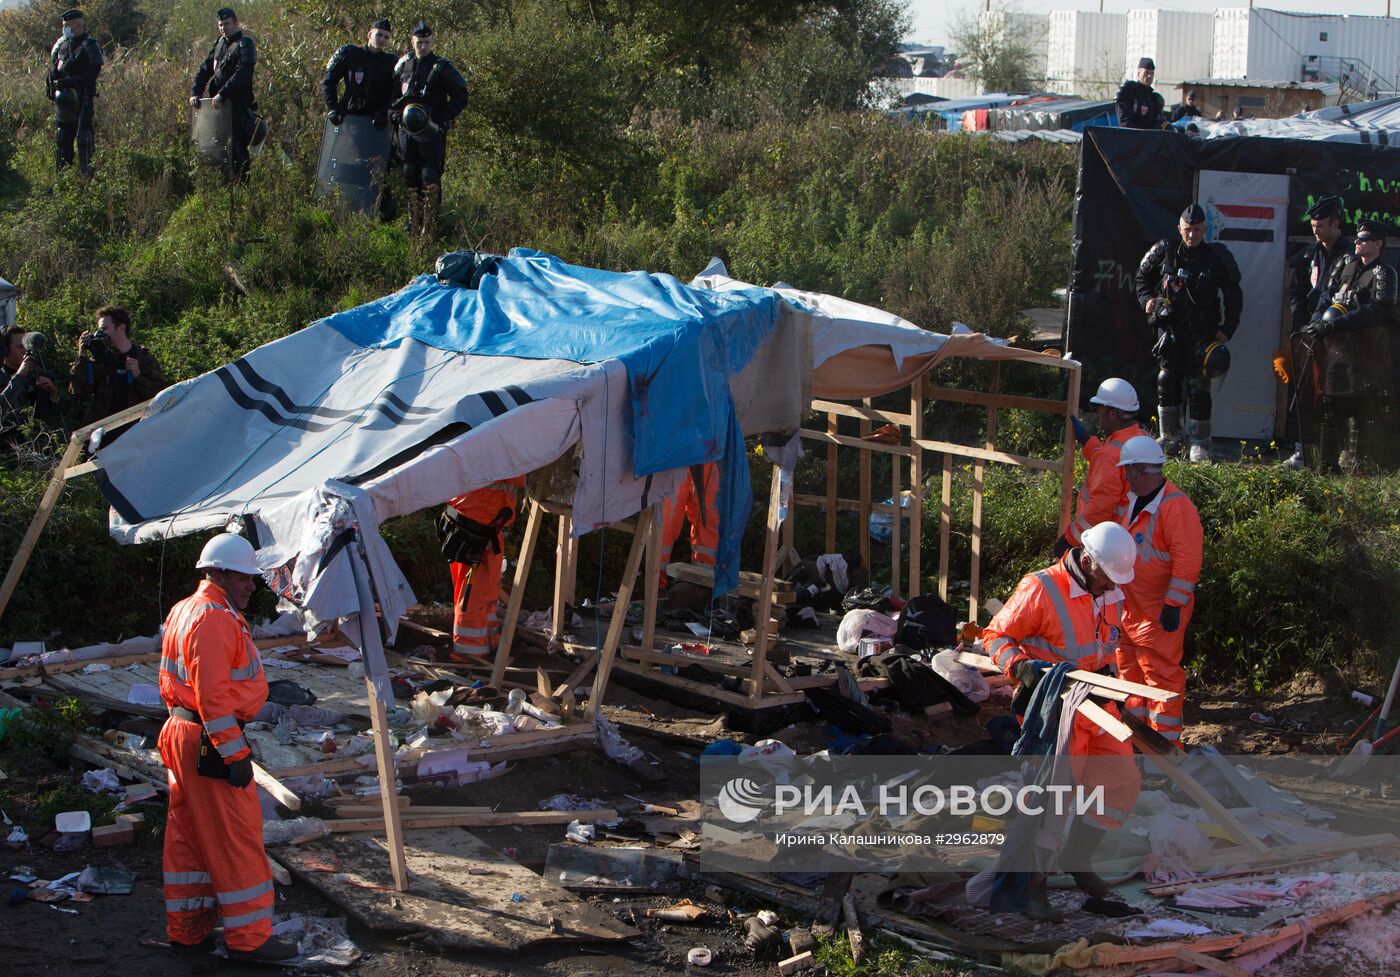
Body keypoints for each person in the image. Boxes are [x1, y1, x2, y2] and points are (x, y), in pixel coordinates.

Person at [981, 522, 1142, 919]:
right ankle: (1033, 886)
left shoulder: (1108, 590)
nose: (1112, 587)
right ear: (1087, 562)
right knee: (1054, 803)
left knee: (1122, 780)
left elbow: (1107, 646)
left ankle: (1078, 856)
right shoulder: (1041, 588)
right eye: (1107, 578)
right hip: (1056, 709)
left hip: (1096, 705)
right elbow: (995, 636)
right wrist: (1021, 667)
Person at [158, 533, 297, 961]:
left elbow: (176, 683)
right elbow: (214, 696)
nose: (251, 586)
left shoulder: (186, 609)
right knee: (237, 840)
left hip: (184, 733)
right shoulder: (215, 618)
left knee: (190, 838)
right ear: (217, 573)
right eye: (243, 578)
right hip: (209, 739)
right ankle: (250, 940)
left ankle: (188, 930)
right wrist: (234, 753)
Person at [1136, 203, 1243, 463]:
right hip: (1170, 333)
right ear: (1179, 229)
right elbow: (1141, 278)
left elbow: (1234, 292)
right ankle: (1170, 438)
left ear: (1205, 229)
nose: (1192, 234)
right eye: (1187, 229)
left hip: (1203, 335)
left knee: (1199, 387)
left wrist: (1228, 328)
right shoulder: (1165, 251)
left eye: (1196, 230)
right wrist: (1148, 300)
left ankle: (1199, 444)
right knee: (1166, 380)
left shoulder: (1217, 256)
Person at [1113, 436, 1201, 748]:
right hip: (1129, 608)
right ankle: (1138, 738)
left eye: (1127, 471)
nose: (1124, 476)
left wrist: (1173, 604)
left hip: (1157, 612)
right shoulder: (1135, 499)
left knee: (1161, 677)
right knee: (1130, 673)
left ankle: (1164, 748)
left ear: (1139, 471)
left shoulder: (1176, 507)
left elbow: (1188, 560)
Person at [1299, 219, 1397, 471]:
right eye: (1357, 238)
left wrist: (1336, 324)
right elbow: (1325, 297)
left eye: (1364, 239)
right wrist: (1316, 323)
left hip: (1367, 355)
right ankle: (1326, 466)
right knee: (1330, 406)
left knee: (1362, 409)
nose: (1357, 242)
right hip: (1335, 352)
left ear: (1378, 243)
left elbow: (1377, 311)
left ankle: (1361, 467)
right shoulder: (1346, 266)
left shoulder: (1385, 272)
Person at [1284, 196, 1353, 468]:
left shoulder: (1349, 256)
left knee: (1334, 396)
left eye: (1321, 225)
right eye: (1313, 225)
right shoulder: (1308, 255)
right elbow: (1297, 292)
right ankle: (1302, 451)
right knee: (1304, 392)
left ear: (1336, 224)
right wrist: (1301, 324)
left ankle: (1332, 456)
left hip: (1337, 334)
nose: (1316, 230)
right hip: (1308, 331)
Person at [391, 22, 469, 237]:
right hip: (407, 130)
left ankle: (430, 224)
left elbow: (461, 96)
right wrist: (394, 112)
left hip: (431, 130)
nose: (423, 47)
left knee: (429, 175)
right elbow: (393, 92)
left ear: (432, 41)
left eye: (426, 42)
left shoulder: (442, 67)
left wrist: (442, 118)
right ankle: (413, 221)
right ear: (412, 41)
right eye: (419, 42)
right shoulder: (404, 63)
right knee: (409, 173)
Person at [438, 476, 526, 660]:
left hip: (477, 525)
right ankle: (469, 652)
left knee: (482, 593)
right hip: (476, 529)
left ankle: (487, 641)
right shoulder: (505, 452)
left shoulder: (486, 450)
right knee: (473, 597)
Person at [1059, 378, 1143, 555]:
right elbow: (1113, 464)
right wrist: (1087, 442)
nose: (1098, 414)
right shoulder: (1142, 439)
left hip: (1109, 541)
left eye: (1100, 409)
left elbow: (1100, 509)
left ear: (1112, 413)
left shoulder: (1110, 454)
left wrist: (1069, 539)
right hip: (1131, 536)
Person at [69, 305, 166, 437]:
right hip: (102, 435)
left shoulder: (143, 358)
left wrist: (138, 375)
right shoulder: (101, 358)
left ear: (121, 327)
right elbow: (79, 391)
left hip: (135, 434)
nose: (101, 333)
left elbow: (161, 398)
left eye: (105, 329)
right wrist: (82, 357)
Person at [189, 7, 258, 179]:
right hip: (218, 108)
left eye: (226, 24)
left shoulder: (245, 43)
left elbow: (243, 74)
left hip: (237, 108)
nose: (223, 28)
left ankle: (243, 187)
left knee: (237, 150)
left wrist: (223, 94)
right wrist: (195, 91)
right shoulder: (219, 43)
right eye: (220, 25)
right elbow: (205, 68)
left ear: (235, 23)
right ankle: (222, 186)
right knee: (216, 149)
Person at [46, 8, 103, 176]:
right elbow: (54, 67)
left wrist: (72, 82)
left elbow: (93, 71)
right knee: (62, 137)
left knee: (84, 138)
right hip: (63, 101)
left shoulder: (89, 44)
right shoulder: (61, 44)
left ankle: (87, 178)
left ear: (77, 25)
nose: (65, 29)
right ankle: (62, 179)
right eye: (64, 25)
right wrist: (52, 84)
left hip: (82, 98)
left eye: (68, 25)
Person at [322, 18, 397, 129]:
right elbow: (328, 80)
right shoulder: (350, 54)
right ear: (369, 34)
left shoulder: (391, 62)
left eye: (386, 37)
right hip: (349, 119)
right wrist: (333, 107)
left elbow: (395, 92)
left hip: (375, 123)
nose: (382, 39)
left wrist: (385, 112)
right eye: (379, 35)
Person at [658, 463, 719, 587]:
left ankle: (703, 587)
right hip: (676, 457)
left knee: (708, 525)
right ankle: (657, 587)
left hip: (708, 456)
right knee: (663, 527)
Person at [1, 326, 60, 450]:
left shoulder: (36, 373)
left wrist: (53, 393)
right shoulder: (2, 376)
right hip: (9, 449)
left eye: (26, 346)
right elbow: (2, 406)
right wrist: (19, 376)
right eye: (19, 346)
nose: (24, 350)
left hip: (38, 445)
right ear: (5, 350)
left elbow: (51, 415)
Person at [1116, 57, 1164, 130]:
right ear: (1139, 73)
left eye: (1152, 73)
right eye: (1146, 72)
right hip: (1132, 137)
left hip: (1148, 138)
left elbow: (1155, 125)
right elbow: (1125, 122)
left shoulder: (1153, 98)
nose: (1149, 76)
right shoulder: (1129, 91)